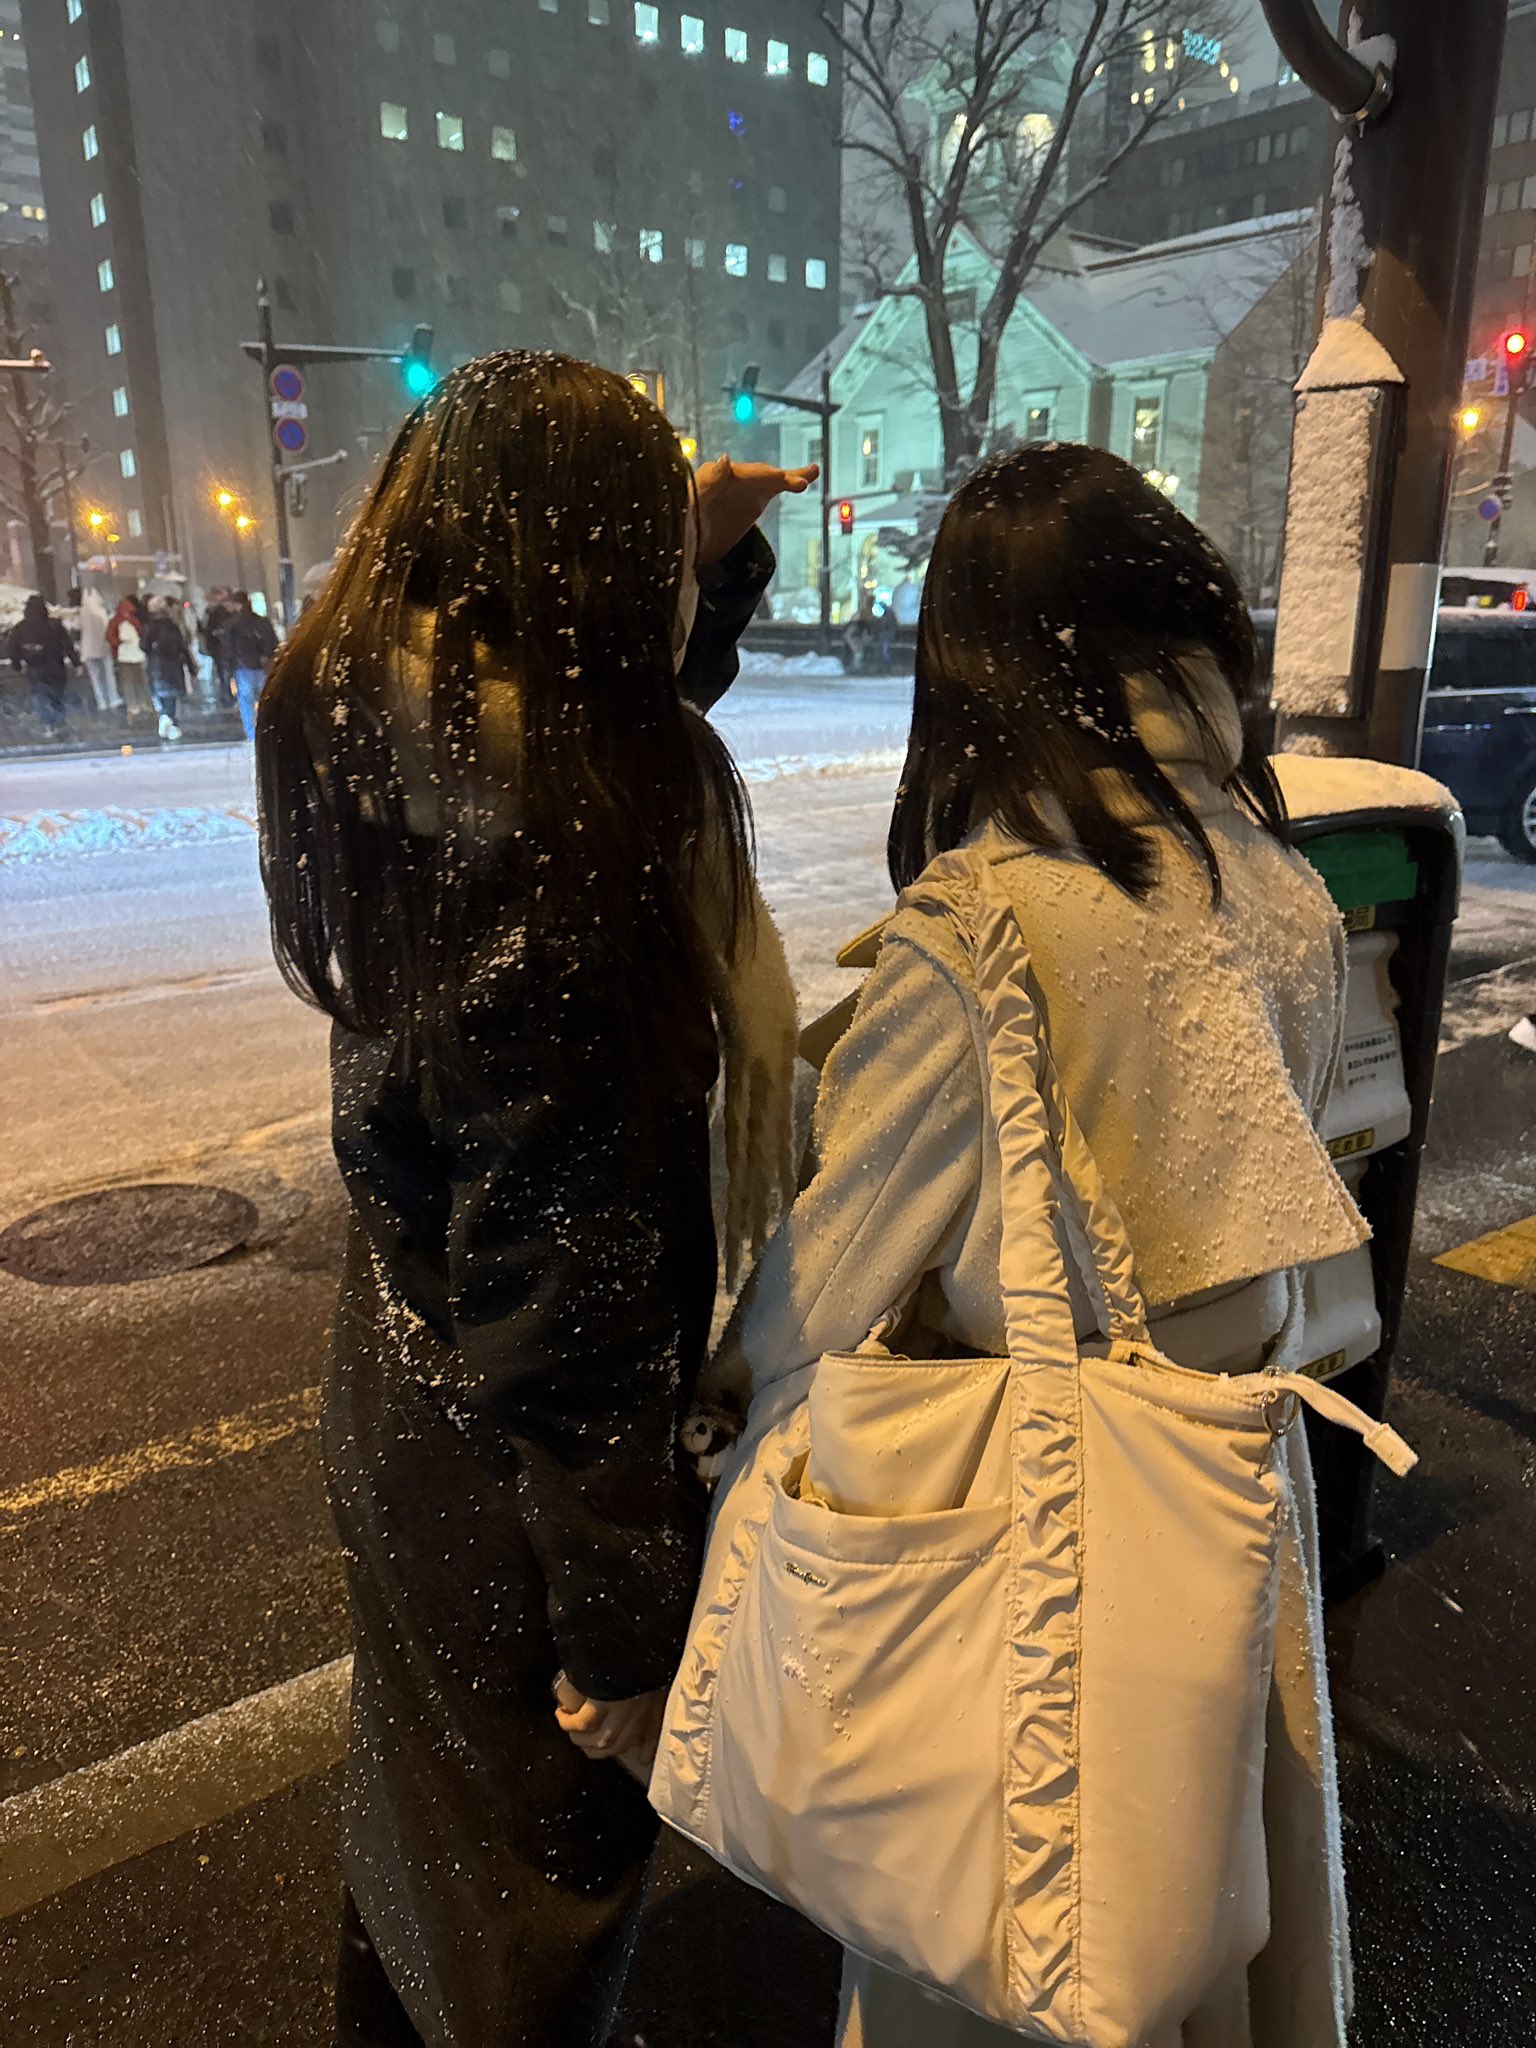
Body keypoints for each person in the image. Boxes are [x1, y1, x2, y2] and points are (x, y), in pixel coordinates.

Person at [706, 444, 1371, 2048]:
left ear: (980, 670)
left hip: (1043, 1501)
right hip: (1231, 1490)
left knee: (1015, 1929)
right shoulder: (1278, 880)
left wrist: (715, 1396)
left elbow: (831, 1278)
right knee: (1195, 1910)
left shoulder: (986, 924)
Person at [256, 349, 816, 2048]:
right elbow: (574, 1307)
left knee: (428, 1827)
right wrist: (621, 1630)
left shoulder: (410, 723)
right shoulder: (572, 867)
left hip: (404, 1380)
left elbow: (623, 706)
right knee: (534, 1882)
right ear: (588, 581)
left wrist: (698, 557)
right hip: (505, 1464)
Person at [8, 592, 82, 736]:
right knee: (57, 694)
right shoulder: (55, 625)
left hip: (35, 667)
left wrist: (16, 664)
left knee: (41, 696)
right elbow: (67, 645)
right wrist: (76, 663)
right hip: (56, 666)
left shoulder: (20, 628)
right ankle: (59, 721)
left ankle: (48, 724)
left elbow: (13, 648)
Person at [219, 590, 278, 739]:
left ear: (236, 604)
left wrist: (228, 669)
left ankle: (252, 734)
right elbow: (273, 643)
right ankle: (268, 730)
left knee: (246, 702)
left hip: (242, 667)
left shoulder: (231, 624)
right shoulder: (262, 622)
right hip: (262, 666)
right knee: (266, 700)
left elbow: (227, 649)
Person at [142, 595, 196, 740]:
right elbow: (183, 647)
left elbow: (143, 646)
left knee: (159, 695)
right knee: (172, 696)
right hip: (173, 665)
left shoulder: (148, 627)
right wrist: (191, 667)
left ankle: (165, 717)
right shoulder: (173, 625)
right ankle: (171, 722)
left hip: (155, 665)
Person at [74, 583, 119, 713]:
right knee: (108, 675)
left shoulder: (82, 614)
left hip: (88, 650)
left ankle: (101, 702)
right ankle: (113, 698)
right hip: (103, 647)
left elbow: (76, 626)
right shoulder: (101, 613)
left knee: (96, 677)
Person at [107, 593, 149, 720]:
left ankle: (136, 703)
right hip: (132, 656)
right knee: (135, 681)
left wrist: (118, 643)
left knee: (132, 681)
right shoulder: (131, 621)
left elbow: (110, 636)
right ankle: (137, 703)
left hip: (128, 656)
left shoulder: (117, 621)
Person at [200, 585, 238, 708]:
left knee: (224, 674)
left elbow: (207, 632)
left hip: (220, 649)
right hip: (224, 649)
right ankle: (228, 697)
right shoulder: (219, 613)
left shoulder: (214, 613)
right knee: (227, 674)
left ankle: (227, 697)